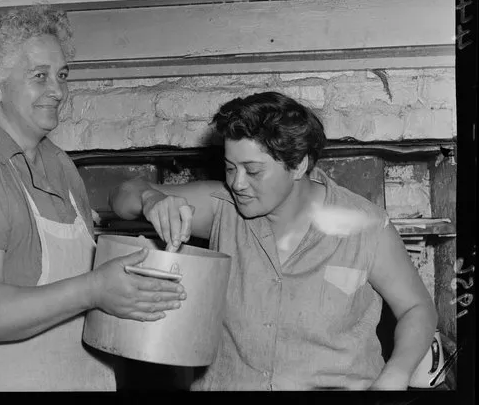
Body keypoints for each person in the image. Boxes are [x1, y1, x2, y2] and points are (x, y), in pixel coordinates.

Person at [0, 7, 186, 392]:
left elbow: (110, 210)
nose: (58, 90)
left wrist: (149, 198)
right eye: (39, 76)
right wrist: (95, 289)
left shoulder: (56, 163)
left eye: (62, 75)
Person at [109, 91, 438, 391]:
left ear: (298, 165)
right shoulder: (222, 208)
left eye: (252, 171)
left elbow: (417, 308)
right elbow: (122, 197)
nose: (237, 183)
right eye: (229, 167)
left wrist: (396, 373)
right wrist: (151, 198)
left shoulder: (366, 226)